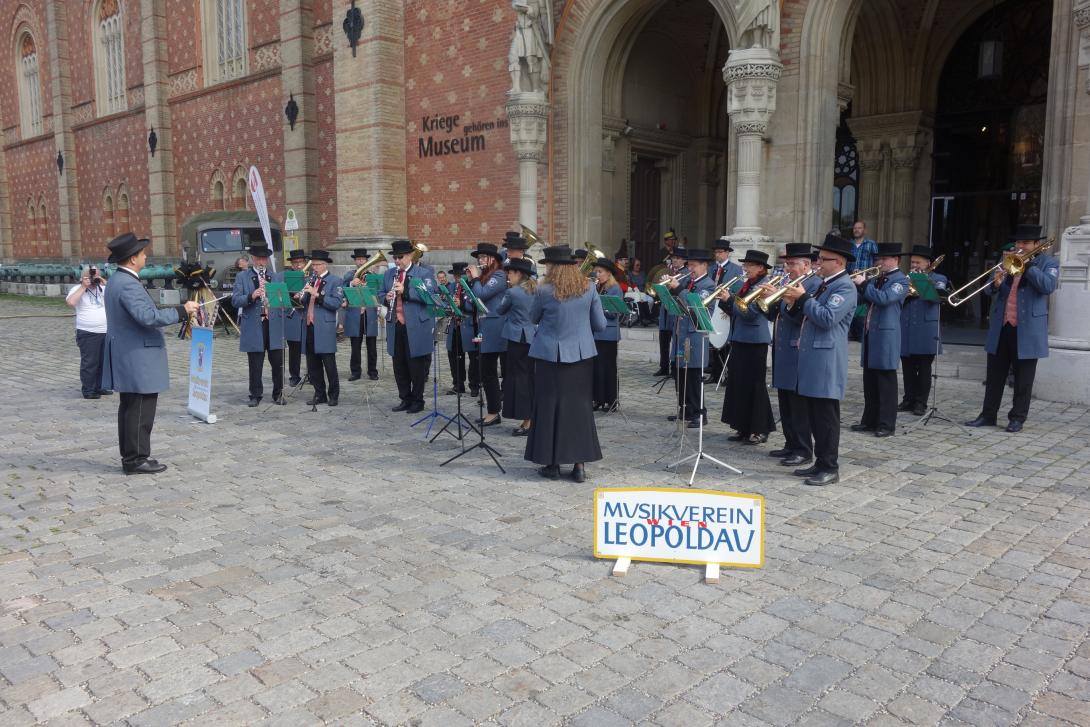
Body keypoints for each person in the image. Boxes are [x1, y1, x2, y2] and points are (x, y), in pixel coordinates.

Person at [101, 232, 200, 474]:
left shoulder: (118, 280)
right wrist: (182, 310)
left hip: (130, 353)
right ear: (133, 259)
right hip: (138, 356)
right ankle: (135, 459)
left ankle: (132, 456)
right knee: (140, 410)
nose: (146, 257)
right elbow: (148, 317)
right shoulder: (127, 284)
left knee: (130, 408)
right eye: (143, 253)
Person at [781, 234, 857, 486]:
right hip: (813, 356)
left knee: (826, 417)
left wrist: (803, 299)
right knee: (814, 415)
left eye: (823, 259)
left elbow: (826, 318)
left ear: (839, 261)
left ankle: (830, 466)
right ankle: (820, 462)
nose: (818, 263)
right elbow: (806, 317)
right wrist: (794, 303)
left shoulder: (844, 286)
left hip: (826, 359)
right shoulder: (826, 284)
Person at [966, 224, 1058, 433]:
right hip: (1002, 325)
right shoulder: (1005, 261)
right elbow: (988, 290)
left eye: (1025, 243)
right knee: (995, 375)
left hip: (1027, 329)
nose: (1020, 246)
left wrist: (1028, 266)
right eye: (1018, 242)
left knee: (1023, 377)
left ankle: (1017, 418)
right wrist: (997, 283)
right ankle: (988, 414)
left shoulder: (1048, 262)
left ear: (1037, 245)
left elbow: (1048, 287)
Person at [525, 245, 606, 482]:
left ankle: (553, 464)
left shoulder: (544, 290)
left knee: (550, 407)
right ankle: (579, 465)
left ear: (553, 267)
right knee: (579, 409)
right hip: (581, 356)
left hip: (551, 356)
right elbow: (600, 324)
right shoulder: (589, 287)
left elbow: (532, 318)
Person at [765, 243, 822, 466]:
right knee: (786, 401)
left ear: (806, 264)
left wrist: (789, 303)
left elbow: (803, 318)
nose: (787, 268)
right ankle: (790, 443)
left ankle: (803, 448)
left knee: (798, 404)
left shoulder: (814, 284)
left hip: (798, 346)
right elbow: (773, 315)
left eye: (792, 264)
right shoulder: (789, 283)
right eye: (786, 264)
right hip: (782, 346)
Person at [851, 243, 909, 437]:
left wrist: (864, 284)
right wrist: (857, 287)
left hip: (886, 334)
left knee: (886, 382)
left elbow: (884, 299)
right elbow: (867, 300)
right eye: (879, 259)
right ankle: (869, 420)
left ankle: (886, 424)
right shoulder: (878, 278)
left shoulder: (901, 281)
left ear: (896, 260)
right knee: (870, 381)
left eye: (884, 259)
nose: (880, 262)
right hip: (871, 333)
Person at [718, 249, 775, 444]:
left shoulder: (763, 286)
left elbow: (750, 313)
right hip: (740, 338)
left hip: (755, 340)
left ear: (760, 268)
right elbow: (736, 311)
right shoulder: (746, 285)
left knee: (755, 386)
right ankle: (742, 426)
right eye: (745, 265)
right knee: (739, 384)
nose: (746, 268)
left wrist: (730, 300)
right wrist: (725, 301)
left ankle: (760, 428)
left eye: (749, 265)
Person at [380, 239, 438, 414]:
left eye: (400, 257)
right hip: (395, 323)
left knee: (416, 365)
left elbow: (429, 295)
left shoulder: (424, 273)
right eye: (395, 257)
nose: (397, 260)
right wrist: (386, 297)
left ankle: (417, 400)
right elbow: (380, 292)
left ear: (410, 255)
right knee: (399, 364)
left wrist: (405, 291)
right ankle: (405, 398)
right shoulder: (389, 274)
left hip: (416, 324)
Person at [231, 243, 286, 407]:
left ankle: (278, 394)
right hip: (255, 324)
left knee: (277, 362)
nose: (262, 262)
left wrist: (277, 297)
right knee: (255, 363)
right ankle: (255, 394)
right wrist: (251, 295)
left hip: (273, 323)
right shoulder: (243, 277)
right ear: (253, 259)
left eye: (264, 259)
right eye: (259, 259)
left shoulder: (275, 277)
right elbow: (235, 300)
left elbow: (283, 300)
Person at [667, 248, 715, 427]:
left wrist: (678, 289)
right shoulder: (688, 281)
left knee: (694, 376)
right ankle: (685, 408)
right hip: (682, 333)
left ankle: (699, 413)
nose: (691, 269)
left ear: (704, 266)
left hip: (695, 336)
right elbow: (679, 303)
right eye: (690, 265)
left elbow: (697, 305)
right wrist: (669, 290)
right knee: (681, 373)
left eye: (694, 265)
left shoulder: (708, 284)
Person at [899, 245, 949, 415]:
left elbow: (937, 296)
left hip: (926, 329)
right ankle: (908, 399)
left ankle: (921, 402)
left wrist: (919, 281)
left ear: (928, 263)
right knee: (908, 368)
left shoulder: (939, 277)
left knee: (924, 368)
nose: (914, 265)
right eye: (912, 262)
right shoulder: (905, 278)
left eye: (918, 262)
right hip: (907, 327)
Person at [467, 242, 509, 426]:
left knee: (490, 371)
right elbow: (471, 304)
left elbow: (482, 295)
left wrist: (476, 280)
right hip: (485, 327)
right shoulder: (483, 277)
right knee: (486, 371)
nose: (481, 261)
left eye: (484, 257)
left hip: (496, 328)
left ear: (494, 259)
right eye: (479, 258)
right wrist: (470, 282)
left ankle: (495, 412)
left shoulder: (499, 275)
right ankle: (493, 411)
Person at [497, 257, 537, 435]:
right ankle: (530, 418)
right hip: (532, 338)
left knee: (520, 380)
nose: (508, 275)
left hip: (517, 339)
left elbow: (500, 310)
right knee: (529, 378)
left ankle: (527, 420)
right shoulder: (537, 290)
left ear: (519, 274)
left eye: (511, 272)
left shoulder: (513, 293)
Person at [301, 249, 344, 406]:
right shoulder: (311, 279)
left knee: (329, 364)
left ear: (325, 264)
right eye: (313, 264)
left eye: (317, 264)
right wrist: (302, 295)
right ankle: (320, 394)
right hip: (309, 325)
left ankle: (333, 395)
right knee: (313, 364)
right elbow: (305, 302)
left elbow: (335, 304)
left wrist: (317, 295)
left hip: (324, 327)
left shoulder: (335, 281)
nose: (314, 267)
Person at [66, 264, 111, 399]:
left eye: (97, 275)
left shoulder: (102, 288)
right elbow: (71, 303)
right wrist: (83, 286)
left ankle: (100, 386)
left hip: (105, 331)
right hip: (88, 332)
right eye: (93, 276)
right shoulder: (77, 289)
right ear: (84, 277)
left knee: (104, 362)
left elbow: (117, 294)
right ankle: (88, 390)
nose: (94, 279)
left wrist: (103, 281)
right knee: (90, 362)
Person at [706, 237, 743, 383]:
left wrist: (727, 294)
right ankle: (715, 373)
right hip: (712, 306)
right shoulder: (711, 269)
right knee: (714, 339)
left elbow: (739, 288)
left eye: (720, 252)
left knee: (725, 340)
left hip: (725, 307)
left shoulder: (736, 268)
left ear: (727, 253)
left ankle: (726, 374)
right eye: (716, 252)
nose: (717, 255)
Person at [591, 258, 623, 412]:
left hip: (608, 334)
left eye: (600, 272)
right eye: (596, 271)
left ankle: (611, 400)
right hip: (595, 333)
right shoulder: (596, 287)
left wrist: (597, 308)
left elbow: (614, 313)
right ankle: (597, 398)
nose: (597, 274)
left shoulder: (614, 288)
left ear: (608, 273)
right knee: (596, 368)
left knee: (608, 368)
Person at [343, 248, 380, 382]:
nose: (360, 261)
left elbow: (379, 292)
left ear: (366, 261)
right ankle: (355, 371)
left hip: (369, 313)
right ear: (355, 261)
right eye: (358, 259)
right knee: (355, 345)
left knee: (372, 345)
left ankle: (372, 371)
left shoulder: (372, 275)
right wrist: (351, 284)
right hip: (355, 313)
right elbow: (341, 290)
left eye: (363, 259)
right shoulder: (349, 275)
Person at [445, 262, 473, 394]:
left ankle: (474, 386)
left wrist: (461, 303)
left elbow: (474, 306)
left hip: (468, 326)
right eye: (456, 276)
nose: (458, 279)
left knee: (473, 357)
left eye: (460, 276)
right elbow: (446, 304)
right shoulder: (451, 287)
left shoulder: (472, 286)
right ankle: (458, 384)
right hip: (454, 326)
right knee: (454, 356)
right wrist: (447, 303)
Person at [847, 220, 878, 341]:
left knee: (862, 305)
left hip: (865, 279)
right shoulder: (849, 244)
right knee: (851, 304)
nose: (856, 230)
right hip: (851, 279)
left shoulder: (870, 244)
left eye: (859, 228)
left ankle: (860, 333)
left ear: (864, 230)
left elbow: (877, 260)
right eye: (855, 228)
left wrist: (870, 275)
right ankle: (852, 331)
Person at [284, 249, 308, 386]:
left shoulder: (311, 277)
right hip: (292, 315)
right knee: (293, 348)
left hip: (306, 315)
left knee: (310, 347)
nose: (298, 265)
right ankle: (294, 375)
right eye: (295, 263)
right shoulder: (287, 276)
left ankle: (311, 373)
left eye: (300, 262)